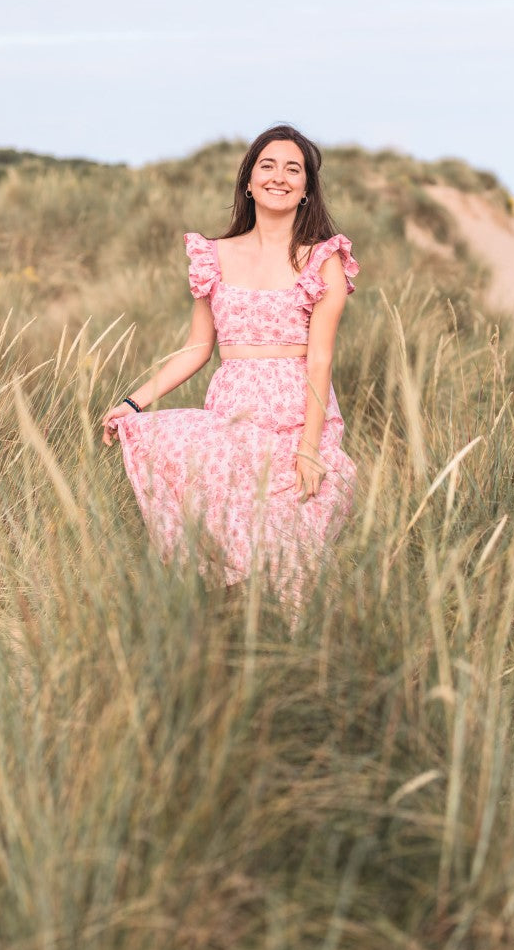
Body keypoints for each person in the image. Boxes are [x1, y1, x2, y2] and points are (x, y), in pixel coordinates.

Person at [102, 124, 359, 612]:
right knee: (227, 528)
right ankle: (229, 629)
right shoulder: (213, 256)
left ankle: (296, 645)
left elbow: (320, 357)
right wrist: (133, 402)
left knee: (292, 536)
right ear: (248, 180)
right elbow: (197, 348)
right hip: (231, 413)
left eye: (293, 169)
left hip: (297, 414)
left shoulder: (322, 259)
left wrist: (309, 446)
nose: (279, 177)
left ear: (307, 189)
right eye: (267, 166)